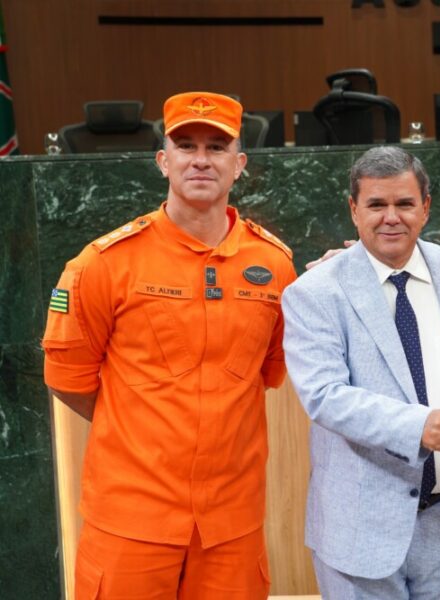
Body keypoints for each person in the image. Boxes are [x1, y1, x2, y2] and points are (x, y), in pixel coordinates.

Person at [41, 91, 297, 599]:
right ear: (163, 161)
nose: (201, 159)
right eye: (186, 146)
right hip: (130, 521)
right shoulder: (104, 264)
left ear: (239, 165)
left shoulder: (275, 266)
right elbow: (68, 380)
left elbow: (268, 373)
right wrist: (140, 426)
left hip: (230, 526)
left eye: (216, 147)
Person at [282, 146, 440, 599]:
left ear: (426, 207)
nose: (391, 218)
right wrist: (419, 426)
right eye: (376, 204)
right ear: (353, 210)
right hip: (360, 528)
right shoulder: (314, 291)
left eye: (404, 203)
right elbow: (324, 395)